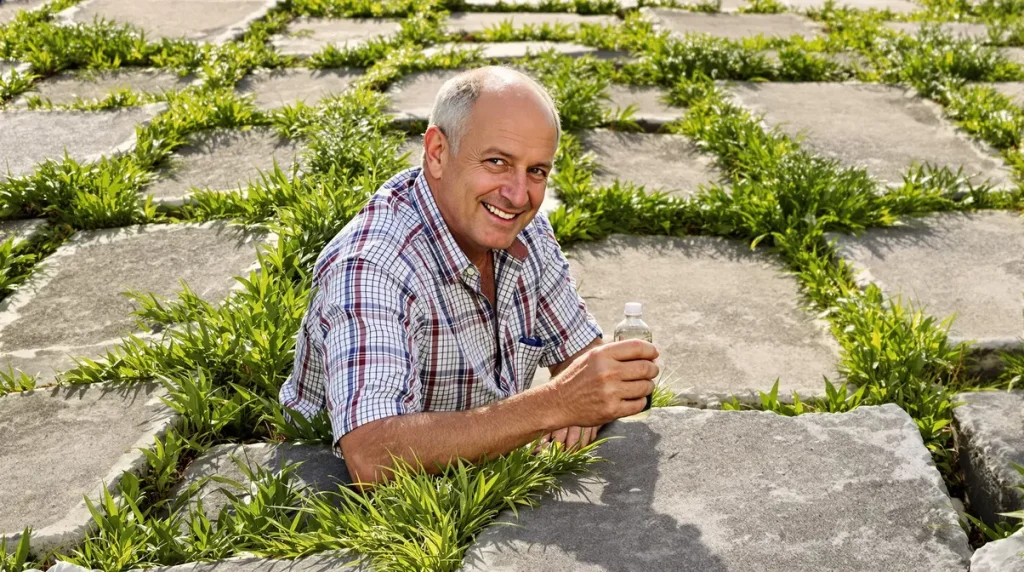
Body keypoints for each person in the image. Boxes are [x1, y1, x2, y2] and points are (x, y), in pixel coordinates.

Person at [279, 66, 658, 486]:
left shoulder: (525, 230)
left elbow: (583, 361)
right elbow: (372, 456)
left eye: (537, 171)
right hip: (332, 494)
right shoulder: (372, 266)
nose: (518, 196)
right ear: (438, 152)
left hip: (476, 471)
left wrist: (585, 401)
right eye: (497, 162)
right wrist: (556, 405)